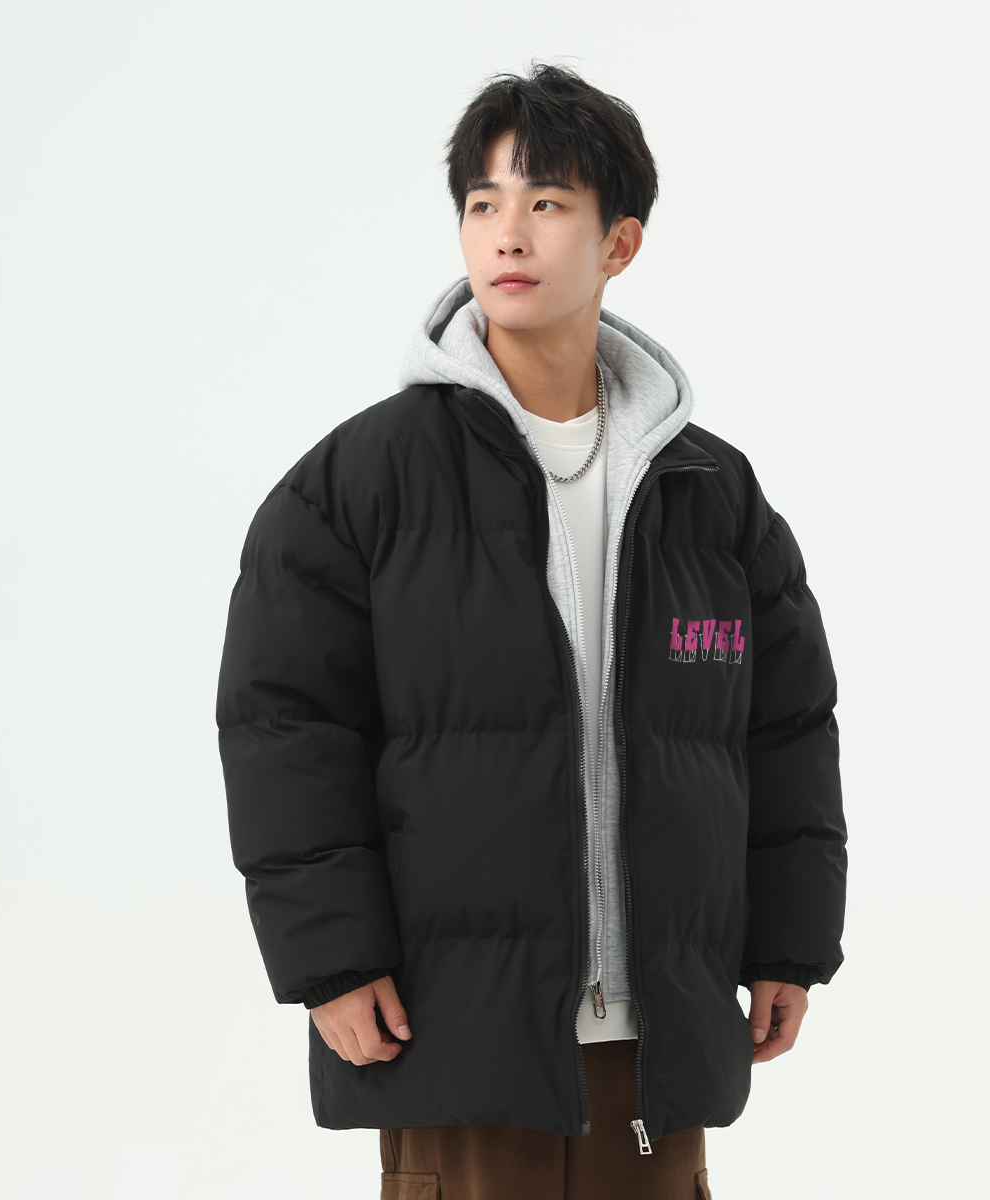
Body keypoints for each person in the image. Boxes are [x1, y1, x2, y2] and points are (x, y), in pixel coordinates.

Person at [217, 62, 847, 1200]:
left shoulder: (712, 495)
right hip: (454, 1027)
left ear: (620, 243)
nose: (508, 232)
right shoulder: (358, 487)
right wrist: (330, 958)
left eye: (547, 202)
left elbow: (785, 728)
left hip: (654, 1030)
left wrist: (787, 944)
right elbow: (284, 728)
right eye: (483, 203)